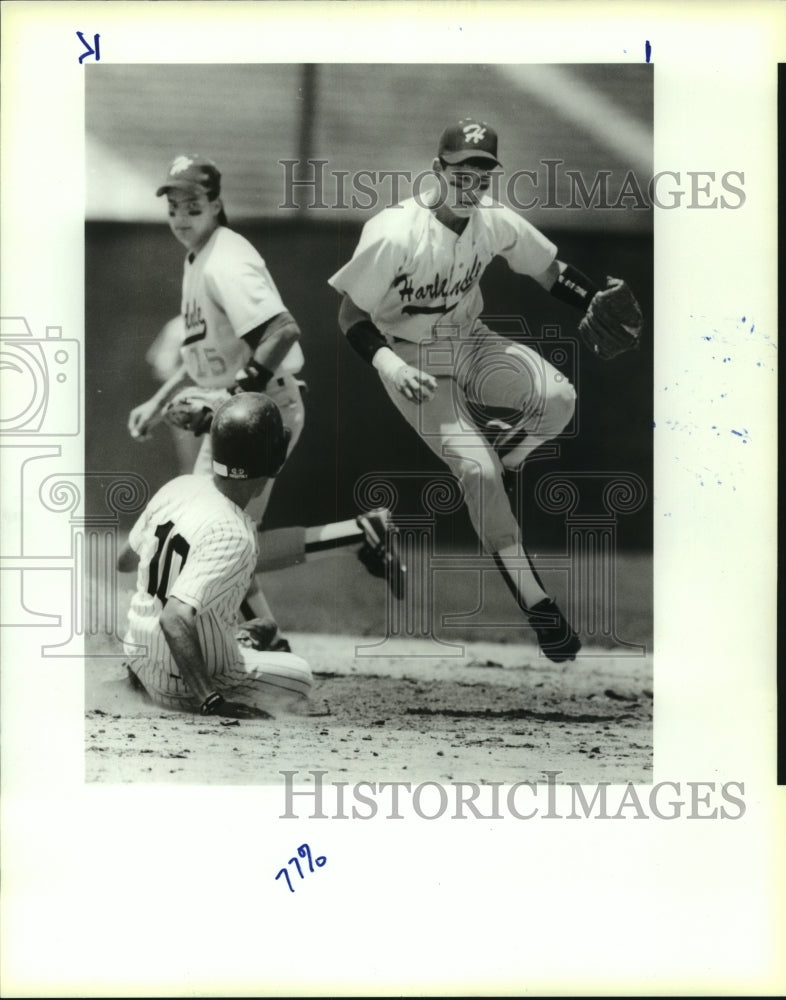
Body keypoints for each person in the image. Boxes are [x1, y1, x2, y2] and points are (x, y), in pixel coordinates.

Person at [328, 118, 642, 663]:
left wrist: (592, 299)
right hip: (409, 358)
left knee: (559, 400)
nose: (472, 185)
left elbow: (549, 270)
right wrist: (386, 364)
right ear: (437, 171)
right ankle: (538, 603)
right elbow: (350, 313)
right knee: (476, 472)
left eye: (483, 174)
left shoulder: (491, 219)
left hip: (469, 341)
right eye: (461, 172)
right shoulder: (394, 232)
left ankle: (506, 455)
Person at [127, 154, 306, 652]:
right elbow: (201, 355)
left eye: (193, 205)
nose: (182, 216)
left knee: (218, 531)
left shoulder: (227, 258)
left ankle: (354, 536)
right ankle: (264, 635)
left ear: (217, 205)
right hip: (237, 416)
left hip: (259, 414)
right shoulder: (198, 258)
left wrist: (229, 396)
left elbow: (282, 331)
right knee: (213, 528)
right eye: (174, 207)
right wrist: (157, 399)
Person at [118, 392, 312, 718]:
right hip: (185, 687)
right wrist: (211, 700)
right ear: (275, 461)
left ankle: (225, 645)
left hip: (139, 661)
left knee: (260, 625)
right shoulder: (236, 532)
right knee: (299, 674)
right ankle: (219, 666)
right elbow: (174, 617)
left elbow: (124, 561)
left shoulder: (179, 487)